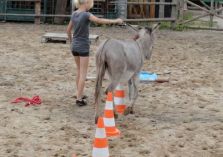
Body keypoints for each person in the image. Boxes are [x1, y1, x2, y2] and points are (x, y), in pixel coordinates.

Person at [67, 0, 123, 106]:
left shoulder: (74, 14)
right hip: (83, 47)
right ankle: (79, 99)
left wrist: (71, 42)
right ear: (86, 3)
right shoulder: (86, 15)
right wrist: (115, 21)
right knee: (83, 73)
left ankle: (79, 92)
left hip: (74, 46)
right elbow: (99, 21)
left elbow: (68, 30)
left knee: (79, 70)